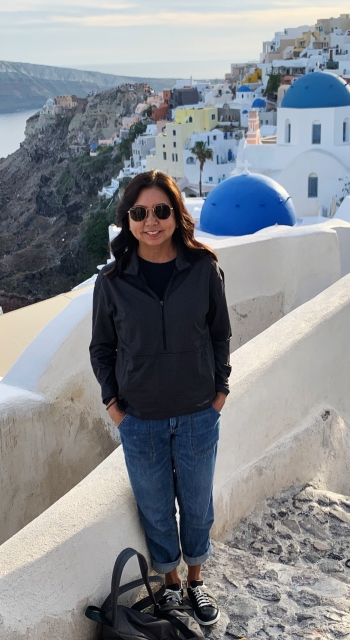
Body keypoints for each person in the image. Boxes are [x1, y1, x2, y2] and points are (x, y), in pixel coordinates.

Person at [90, 170, 231, 627]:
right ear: (128, 220)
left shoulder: (202, 269)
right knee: (155, 508)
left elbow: (219, 334)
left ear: (176, 214)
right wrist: (115, 407)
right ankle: (170, 586)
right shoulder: (112, 282)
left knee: (197, 504)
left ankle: (196, 581)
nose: (151, 221)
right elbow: (102, 349)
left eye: (161, 211)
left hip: (197, 413)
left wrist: (220, 391)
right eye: (140, 212)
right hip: (141, 419)